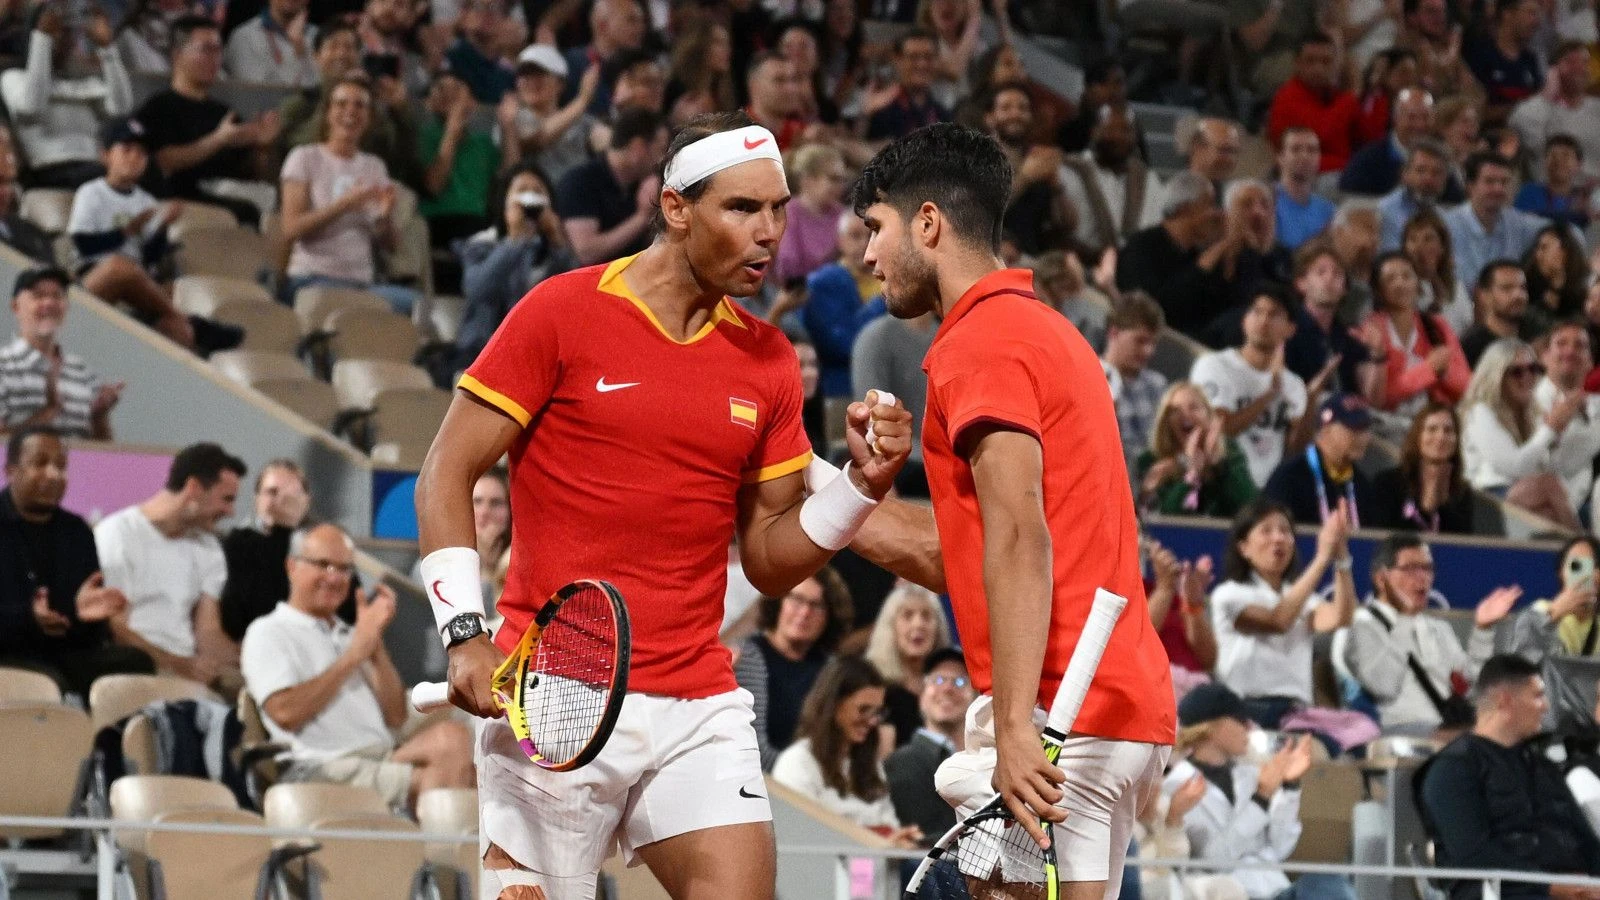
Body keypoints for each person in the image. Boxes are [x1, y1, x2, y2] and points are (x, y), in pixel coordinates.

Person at [416, 111, 913, 899]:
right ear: (677, 208)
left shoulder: (768, 359)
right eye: (743, 209)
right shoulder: (560, 311)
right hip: (550, 698)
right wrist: (464, 633)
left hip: (698, 703)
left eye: (779, 209)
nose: (770, 233)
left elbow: (772, 559)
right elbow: (444, 471)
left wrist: (860, 487)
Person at [846, 122, 1175, 896]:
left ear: (927, 222)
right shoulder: (1041, 331)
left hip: (1063, 713)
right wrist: (834, 492)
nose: (865, 256)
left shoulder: (980, 342)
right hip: (1100, 701)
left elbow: (1022, 537)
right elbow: (959, 554)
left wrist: (1018, 727)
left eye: (874, 228)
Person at [241, 523, 474, 813]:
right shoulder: (268, 631)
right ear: (292, 567)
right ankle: (433, 857)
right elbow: (284, 713)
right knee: (446, 782)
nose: (334, 577)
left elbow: (396, 716)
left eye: (344, 569)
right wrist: (353, 656)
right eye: (323, 565)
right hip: (321, 766)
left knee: (455, 739)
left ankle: (440, 850)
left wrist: (373, 643)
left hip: (379, 756)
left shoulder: (353, 634)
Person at [1419, 655, 1600, 900]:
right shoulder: (1454, 770)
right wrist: (1552, 887)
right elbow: (1473, 855)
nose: (1546, 706)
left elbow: (1586, 841)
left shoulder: (1543, 768)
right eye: (1537, 696)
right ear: (1506, 701)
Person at [1163, 682, 1353, 900]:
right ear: (1212, 726)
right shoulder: (1177, 787)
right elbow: (1215, 861)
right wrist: (1261, 799)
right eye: (1240, 720)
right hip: (1235, 894)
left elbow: (1281, 848)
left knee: (1329, 882)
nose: (1248, 727)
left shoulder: (1250, 774)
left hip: (1276, 890)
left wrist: (1289, 786)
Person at [0, 426, 151, 698]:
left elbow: (87, 630)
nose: (54, 474)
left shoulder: (77, 531)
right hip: (8, 653)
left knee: (135, 664)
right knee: (49, 682)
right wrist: (28, 618)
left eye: (61, 466)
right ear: (10, 471)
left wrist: (85, 616)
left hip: (63, 654)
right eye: (40, 463)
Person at [95, 442, 243, 692]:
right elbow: (115, 628)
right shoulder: (118, 535)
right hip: (134, 670)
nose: (230, 512)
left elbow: (207, 632)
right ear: (194, 488)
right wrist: (176, 664)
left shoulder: (209, 548)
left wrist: (252, 656)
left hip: (188, 672)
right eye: (226, 499)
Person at [1209, 497, 1358, 731]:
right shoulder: (1228, 594)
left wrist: (1341, 558)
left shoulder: (1302, 598)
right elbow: (1278, 621)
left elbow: (1342, 616)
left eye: (1285, 531)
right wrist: (1321, 558)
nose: (1278, 538)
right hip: (1246, 709)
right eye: (1266, 531)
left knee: (1358, 734)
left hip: (1295, 711)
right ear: (1243, 548)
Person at [1345, 533, 1516, 737]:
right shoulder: (1362, 626)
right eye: (1410, 569)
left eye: (1427, 568)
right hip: (1397, 731)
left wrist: (1483, 630)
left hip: (1450, 727)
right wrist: (1403, 622)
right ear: (1381, 579)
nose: (1422, 578)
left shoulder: (1438, 629)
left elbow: (1472, 688)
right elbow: (1384, 686)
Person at [278, 73, 419, 314]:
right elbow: (291, 228)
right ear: (328, 113)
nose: (351, 112)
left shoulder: (374, 166)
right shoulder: (304, 158)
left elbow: (391, 246)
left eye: (360, 105)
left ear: (369, 117)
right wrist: (344, 205)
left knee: (416, 305)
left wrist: (385, 219)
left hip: (362, 283)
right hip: (312, 277)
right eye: (342, 104)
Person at [133, 15, 281, 227]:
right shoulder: (158, 107)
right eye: (205, 50)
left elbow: (254, 175)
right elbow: (162, 162)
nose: (215, 58)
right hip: (180, 200)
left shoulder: (224, 113)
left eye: (218, 50)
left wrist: (263, 147)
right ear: (177, 55)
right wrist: (218, 139)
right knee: (245, 213)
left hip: (228, 194)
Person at [68, 117, 196, 350]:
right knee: (120, 266)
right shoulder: (92, 193)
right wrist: (127, 231)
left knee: (179, 330)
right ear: (105, 155)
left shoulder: (146, 201)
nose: (135, 157)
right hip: (95, 273)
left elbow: (149, 256)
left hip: (137, 282)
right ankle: (179, 314)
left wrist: (162, 228)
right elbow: (83, 244)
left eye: (141, 152)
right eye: (126, 149)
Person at [771, 656, 921, 844]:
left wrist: (899, 839)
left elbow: (888, 822)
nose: (873, 721)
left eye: (877, 712)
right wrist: (879, 839)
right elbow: (804, 834)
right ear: (833, 704)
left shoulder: (869, 764)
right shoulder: (797, 761)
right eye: (863, 709)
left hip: (873, 868)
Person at [1190, 285, 1326, 488]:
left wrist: (1311, 400)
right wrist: (1269, 395)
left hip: (1269, 490)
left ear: (1290, 329)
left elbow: (1296, 452)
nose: (1263, 321)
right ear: (1244, 321)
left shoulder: (1293, 383)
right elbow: (1221, 430)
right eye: (1256, 311)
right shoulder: (1214, 365)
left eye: (1274, 314)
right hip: (1220, 482)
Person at [456, 163, 577, 370]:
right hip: (481, 352)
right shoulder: (483, 244)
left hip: (538, 356)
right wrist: (515, 241)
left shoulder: (553, 250)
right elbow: (477, 289)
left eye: (538, 191)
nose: (529, 198)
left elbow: (577, 293)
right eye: (521, 191)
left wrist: (558, 242)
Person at [0, 2, 133, 190]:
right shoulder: (12, 77)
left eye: (70, 33)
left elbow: (121, 109)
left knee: (144, 171)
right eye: (58, 32)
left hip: (97, 167)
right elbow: (32, 105)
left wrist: (108, 49)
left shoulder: (85, 80)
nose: (65, 40)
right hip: (52, 172)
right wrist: (43, 40)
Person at [731, 569, 854, 769]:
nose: (805, 612)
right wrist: (803, 775)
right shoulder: (747, 656)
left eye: (816, 605)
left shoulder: (833, 669)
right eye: (797, 599)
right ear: (779, 602)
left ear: (830, 615)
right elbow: (752, 748)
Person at [1460, 338, 1584, 529]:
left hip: (1517, 496)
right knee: (1548, 484)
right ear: (1497, 377)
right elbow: (1514, 466)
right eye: (1517, 372)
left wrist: (1557, 435)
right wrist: (1551, 428)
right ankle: (1587, 550)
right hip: (1483, 499)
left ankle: (1578, 554)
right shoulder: (1480, 412)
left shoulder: (1531, 413)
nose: (1527, 377)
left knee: (1548, 513)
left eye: (1532, 369)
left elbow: (1545, 466)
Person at [0, 266, 122, 439]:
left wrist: (99, 416)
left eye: (57, 295)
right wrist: (47, 413)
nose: (49, 303)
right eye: (38, 296)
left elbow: (102, 454)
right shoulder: (4, 366)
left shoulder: (80, 370)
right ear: (15, 307)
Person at [1115, 172, 1233, 344]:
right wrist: (1212, 255)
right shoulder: (1142, 247)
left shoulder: (1195, 252)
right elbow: (1154, 307)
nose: (1217, 214)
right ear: (1185, 208)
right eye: (1209, 205)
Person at [219, 459, 323, 644]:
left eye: (292, 494)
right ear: (257, 498)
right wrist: (283, 529)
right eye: (272, 492)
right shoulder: (236, 544)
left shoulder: (324, 550)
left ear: (306, 501)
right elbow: (239, 616)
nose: (282, 500)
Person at [1363, 250, 1471, 419]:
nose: (1400, 283)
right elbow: (1378, 398)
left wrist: (1444, 373)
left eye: (1407, 276)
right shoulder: (1369, 331)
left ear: (1418, 283)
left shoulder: (1437, 325)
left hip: (1436, 419)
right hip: (1386, 425)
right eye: (1390, 279)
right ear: (1378, 289)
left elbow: (1466, 384)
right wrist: (1429, 370)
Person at [552, 105, 666, 266]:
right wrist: (641, 217)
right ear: (638, 147)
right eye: (660, 149)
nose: (662, 159)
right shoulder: (579, 181)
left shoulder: (641, 184)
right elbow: (586, 252)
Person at [884, 646, 973, 844]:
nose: (948, 688)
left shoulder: (987, 759)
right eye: (939, 680)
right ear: (922, 694)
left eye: (960, 682)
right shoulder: (903, 763)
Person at [850, 302, 935, 498]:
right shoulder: (875, 338)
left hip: (945, 459)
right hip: (903, 463)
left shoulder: (946, 336)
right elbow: (866, 416)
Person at [1136, 381, 1257, 518]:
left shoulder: (1230, 452)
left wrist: (1219, 466)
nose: (1184, 415)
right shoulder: (1151, 460)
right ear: (1166, 421)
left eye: (1193, 407)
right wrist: (1192, 474)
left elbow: (1249, 508)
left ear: (1209, 415)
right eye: (1175, 410)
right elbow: (1171, 517)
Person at [795, 215, 885, 398]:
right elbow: (842, 344)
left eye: (870, 236)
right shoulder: (823, 283)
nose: (864, 243)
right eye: (855, 236)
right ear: (840, 240)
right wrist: (882, 302)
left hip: (887, 387)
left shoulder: (888, 278)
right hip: (838, 392)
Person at [1059, 104, 1165, 256]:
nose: (1118, 136)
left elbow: (1154, 229)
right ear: (1094, 132)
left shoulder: (1147, 179)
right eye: (1111, 129)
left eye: (1126, 131)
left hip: (1132, 265)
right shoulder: (1069, 171)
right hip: (1080, 261)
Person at [1263, 393, 1378, 526]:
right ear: (1326, 429)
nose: (1363, 438)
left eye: (1365, 430)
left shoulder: (1361, 484)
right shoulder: (1289, 478)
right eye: (1354, 429)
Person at [863, 582, 952, 750]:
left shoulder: (950, 687)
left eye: (927, 616)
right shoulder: (873, 686)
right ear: (890, 627)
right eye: (907, 615)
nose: (918, 624)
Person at [1442, 152, 1546, 294]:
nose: (1498, 189)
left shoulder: (1518, 223)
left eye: (1504, 182)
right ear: (1470, 186)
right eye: (1490, 181)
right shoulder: (1446, 225)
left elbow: (1569, 231)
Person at [500, 44, 598, 187]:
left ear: (560, 84)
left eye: (539, 74)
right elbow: (537, 139)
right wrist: (582, 101)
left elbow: (610, 143)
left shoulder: (582, 121)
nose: (531, 80)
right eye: (524, 74)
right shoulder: (512, 117)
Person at [1372, 402, 1476, 533]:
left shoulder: (1462, 491)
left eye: (1448, 430)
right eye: (1432, 429)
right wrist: (1426, 508)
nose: (1441, 437)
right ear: (1417, 437)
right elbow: (1384, 536)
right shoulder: (1388, 483)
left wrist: (1442, 507)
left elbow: (1463, 545)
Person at [1265, 33, 1362, 175]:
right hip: (1304, 175)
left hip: (1340, 172)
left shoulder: (1335, 96)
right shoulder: (1287, 96)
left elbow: (1368, 136)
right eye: (1310, 61)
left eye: (1326, 62)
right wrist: (1351, 96)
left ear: (1336, 65)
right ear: (1297, 63)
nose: (1318, 69)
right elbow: (1321, 135)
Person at [1499, 537, 1600, 671]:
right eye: (1576, 565)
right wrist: (1553, 615)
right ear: (1561, 572)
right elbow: (1520, 665)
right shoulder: (1539, 611)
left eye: (1592, 566)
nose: (1583, 575)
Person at [1534, 321, 1600, 520]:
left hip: (1588, 505)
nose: (1570, 351)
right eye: (1561, 344)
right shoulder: (1527, 403)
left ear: (1590, 361)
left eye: (1580, 346)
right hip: (1541, 510)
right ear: (1544, 356)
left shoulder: (1596, 405)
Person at [1509, 41, 1600, 183]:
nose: (1579, 68)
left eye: (1584, 62)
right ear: (1553, 70)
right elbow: (1528, 137)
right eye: (1570, 62)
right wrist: (1547, 97)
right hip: (1551, 193)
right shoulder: (1534, 110)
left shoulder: (1596, 109)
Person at [1343, 89, 1456, 200]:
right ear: (1396, 118)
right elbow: (1353, 200)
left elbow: (1454, 203)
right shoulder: (1368, 161)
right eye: (1412, 117)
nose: (1420, 125)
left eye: (1426, 117)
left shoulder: (1443, 159)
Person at [1101, 291, 1169, 474]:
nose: (1149, 351)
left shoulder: (1157, 385)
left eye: (1153, 343)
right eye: (1140, 341)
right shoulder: (1087, 377)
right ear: (1114, 333)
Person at [1462, 0, 1546, 125]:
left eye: (1537, 15)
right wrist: (1521, 109)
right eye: (1531, 13)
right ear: (1507, 14)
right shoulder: (1479, 55)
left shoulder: (1530, 60)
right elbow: (1473, 109)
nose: (1536, 22)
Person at [775, 143, 847, 286]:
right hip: (792, 293)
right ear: (807, 179)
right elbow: (788, 268)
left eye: (842, 180)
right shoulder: (788, 213)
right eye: (833, 179)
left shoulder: (843, 215)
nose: (841, 186)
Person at [863, 30, 949, 143]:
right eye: (913, 57)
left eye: (928, 57)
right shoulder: (881, 107)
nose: (922, 64)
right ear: (897, 60)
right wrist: (865, 116)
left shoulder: (941, 114)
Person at [1399, 207, 1474, 336]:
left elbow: (1468, 328)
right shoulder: (1401, 287)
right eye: (1412, 239)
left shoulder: (1456, 288)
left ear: (1442, 246)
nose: (1419, 247)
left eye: (1428, 239)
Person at [1376, 138, 1455, 252]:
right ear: (1405, 174)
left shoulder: (1445, 218)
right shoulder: (1385, 212)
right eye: (1421, 170)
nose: (1428, 179)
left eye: (1436, 172)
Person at [1459, 260, 1539, 368]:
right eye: (1507, 288)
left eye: (1522, 288)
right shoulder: (1471, 347)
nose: (1518, 295)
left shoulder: (1534, 336)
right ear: (1484, 296)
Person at [223, 0, 317, 87]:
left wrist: (300, 47)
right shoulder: (244, 37)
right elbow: (260, 92)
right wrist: (298, 54)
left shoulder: (320, 38)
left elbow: (323, 89)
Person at [1272, 127, 1334, 251]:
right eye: (1296, 149)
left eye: (1312, 150)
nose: (1305, 156)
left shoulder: (1328, 210)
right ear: (1280, 157)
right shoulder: (1266, 203)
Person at [1514, 135, 1592, 232]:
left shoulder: (1586, 198)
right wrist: (1578, 215)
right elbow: (1521, 224)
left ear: (1579, 164)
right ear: (1544, 162)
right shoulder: (1529, 191)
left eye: (1566, 155)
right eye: (1553, 155)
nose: (1559, 161)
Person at [1522, 225, 1589, 333]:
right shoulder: (1527, 282)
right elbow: (1532, 326)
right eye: (1537, 248)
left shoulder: (1587, 285)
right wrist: (1555, 288)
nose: (1538, 255)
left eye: (1544, 248)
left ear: (1565, 251)